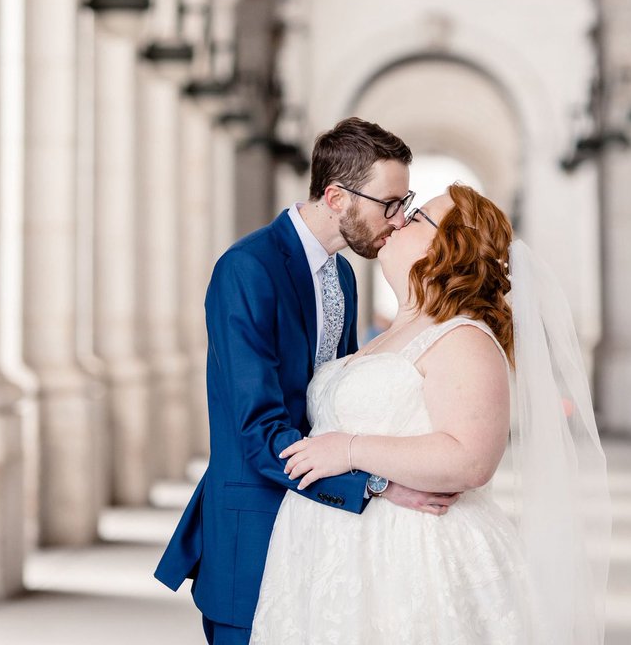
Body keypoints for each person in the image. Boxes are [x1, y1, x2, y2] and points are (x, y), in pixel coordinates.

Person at [250, 183, 611, 645]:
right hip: (331, 554)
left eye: (416, 215)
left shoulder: (463, 337)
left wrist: (351, 450)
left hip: (413, 555)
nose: (397, 219)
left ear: (449, 248)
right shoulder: (390, 334)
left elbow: (471, 460)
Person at [154, 118, 457, 644]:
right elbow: (258, 430)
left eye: (405, 202)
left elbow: (333, 406)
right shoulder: (247, 269)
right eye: (389, 204)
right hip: (255, 535)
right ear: (337, 197)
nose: (399, 219)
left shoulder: (341, 275)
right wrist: (378, 485)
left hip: (323, 539)